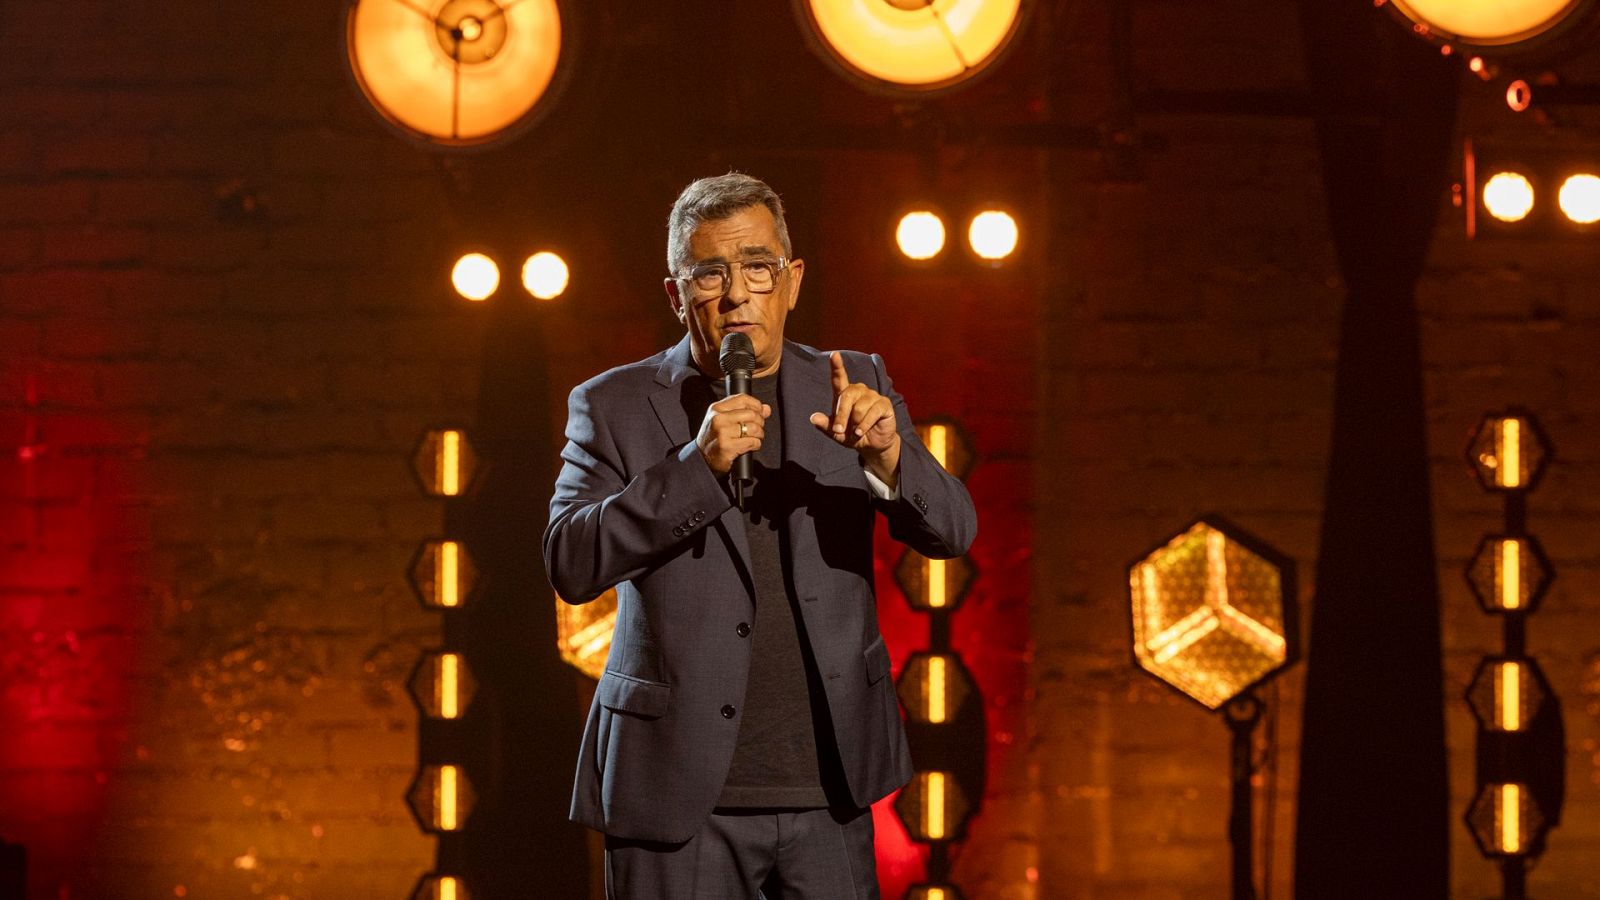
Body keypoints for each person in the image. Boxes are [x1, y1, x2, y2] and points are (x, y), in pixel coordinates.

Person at [544, 173, 977, 899]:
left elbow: (954, 531)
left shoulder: (853, 381)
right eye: (711, 274)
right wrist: (695, 470)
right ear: (677, 295)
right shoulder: (614, 403)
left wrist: (889, 457)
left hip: (829, 782)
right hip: (676, 788)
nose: (738, 294)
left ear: (792, 280)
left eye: (758, 267)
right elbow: (570, 561)